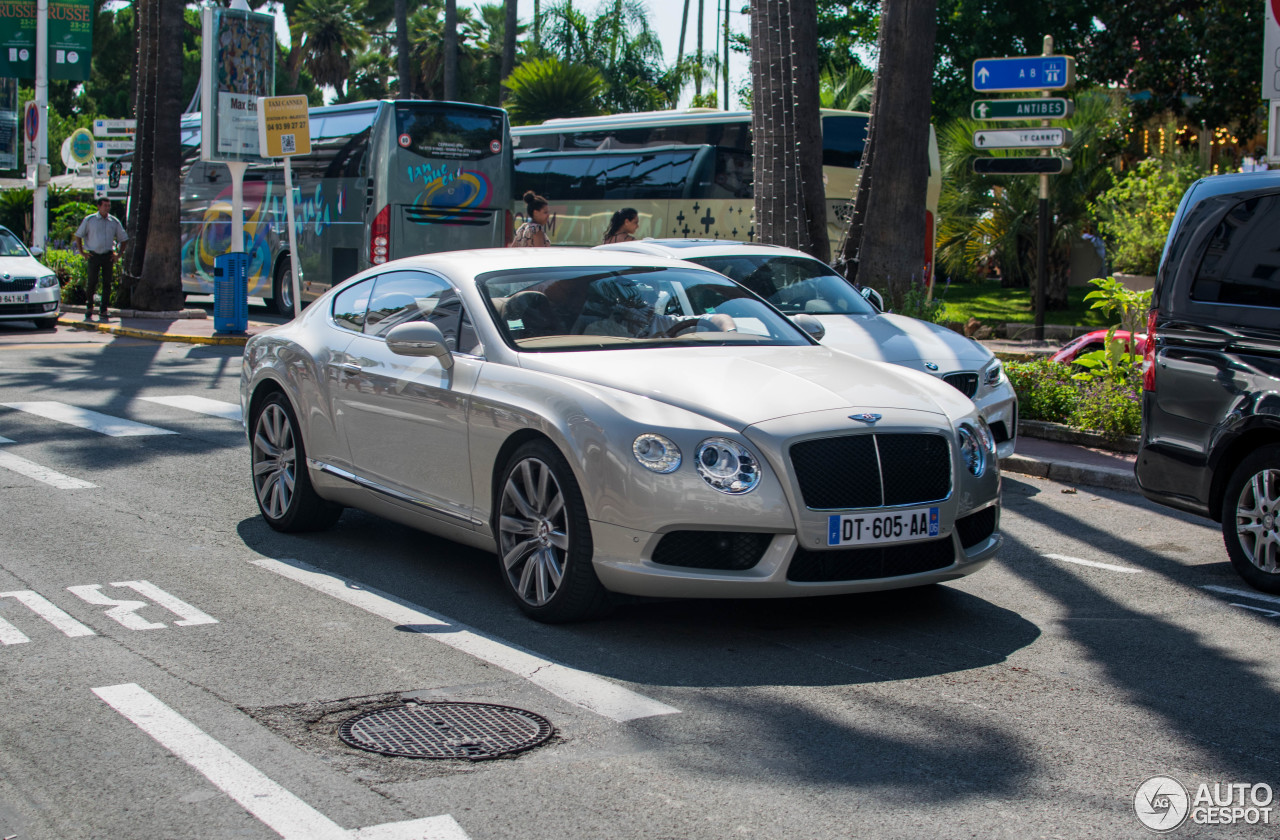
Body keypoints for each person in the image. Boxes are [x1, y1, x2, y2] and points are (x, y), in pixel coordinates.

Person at [72, 197, 128, 321]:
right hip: (94, 255)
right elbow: (78, 235)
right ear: (99, 206)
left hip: (108, 255)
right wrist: (82, 252)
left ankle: (103, 309)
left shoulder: (114, 221)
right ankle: (89, 307)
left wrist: (118, 255)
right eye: (105, 205)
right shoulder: (90, 220)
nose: (107, 208)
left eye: (108, 206)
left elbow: (124, 238)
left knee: (107, 283)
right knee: (92, 282)